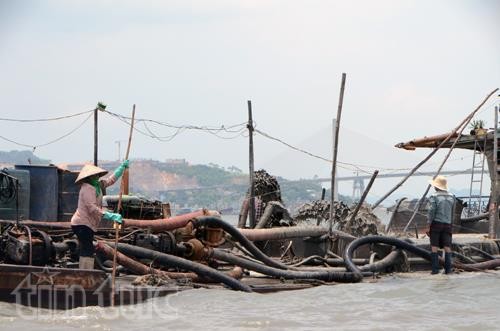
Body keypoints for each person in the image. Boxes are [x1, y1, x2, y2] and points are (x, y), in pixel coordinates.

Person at [71, 160, 129, 269]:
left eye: (97, 175)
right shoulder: (86, 188)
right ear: (88, 177)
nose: (96, 177)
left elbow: (110, 180)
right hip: (81, 224)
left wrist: (121, 169)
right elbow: (92, 208)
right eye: (93, 175)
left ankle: (86, 272)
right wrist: (110, 215)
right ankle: (85, 273)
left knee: (87, 248)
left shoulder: (98, 185)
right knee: (87, 248)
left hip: (88, 224)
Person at [426, 175, 455, 274]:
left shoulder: (434, 197)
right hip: (448, 225)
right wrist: (451, 224)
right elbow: (453, 212)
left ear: (436, 187)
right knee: (447, 247)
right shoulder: (452, 197)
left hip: (436, 224)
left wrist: (428, 225)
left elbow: (431, 211)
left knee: (434, 247)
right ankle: (448, 270)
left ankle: (435, 270)